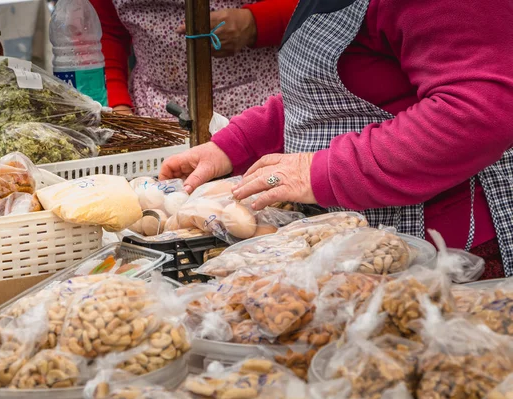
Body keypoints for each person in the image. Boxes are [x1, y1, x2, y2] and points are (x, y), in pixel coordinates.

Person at [161, 0, 513, 278]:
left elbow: (477, 111)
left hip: (446, 259)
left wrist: (323, 171)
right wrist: (233, 143)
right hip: (353, 248)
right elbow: (329, 95)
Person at [89, 0, 298, 118]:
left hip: (257, 107)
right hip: (152, 111)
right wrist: (120, 107)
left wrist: (254, 22)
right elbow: (108, 30)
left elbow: (321, 8)